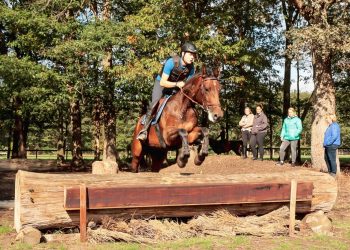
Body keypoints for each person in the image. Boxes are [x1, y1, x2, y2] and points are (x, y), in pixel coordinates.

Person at [137, 42, 197, 141]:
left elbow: (188, 86)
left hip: (177, 86)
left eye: (194, 55)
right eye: (190, 54)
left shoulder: (191, 68)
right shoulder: (171, 62)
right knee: (155, 103)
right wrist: (177, 84)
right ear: (183, 54)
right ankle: (144, 130)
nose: (192, 57)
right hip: (161, 84)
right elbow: (163, 82)